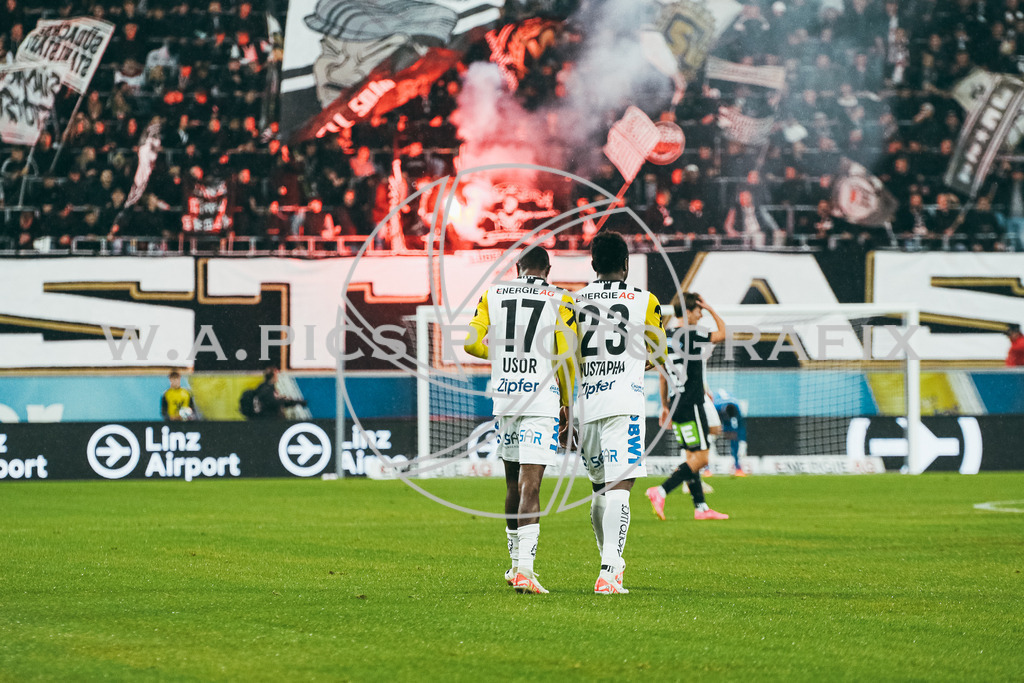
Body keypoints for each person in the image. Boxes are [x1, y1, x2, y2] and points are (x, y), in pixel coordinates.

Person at [464, 246, 576, 595]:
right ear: (548, 269)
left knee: (513, 484)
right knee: (533, 484)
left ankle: (515, 566)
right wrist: (568, 404)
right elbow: (566, 356)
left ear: (517, 268)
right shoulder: (560, 299)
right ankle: (526, 570)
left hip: (505, 400)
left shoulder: (493, 294)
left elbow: (470, 344)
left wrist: (496, 354)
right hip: (540, 401)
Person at [575, 230, 667, 594]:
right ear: (626, 265)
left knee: (600, 489)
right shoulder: (645, 301)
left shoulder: (574, 300)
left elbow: (564, 351)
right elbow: (658, 350)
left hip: (586, 405)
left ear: (593, 264)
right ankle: (610, 569)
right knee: (620, 489)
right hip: (623, 403)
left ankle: (608, 559)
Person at [647, 292, 730, 521]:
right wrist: (712, 308)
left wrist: (665, 406)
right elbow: (723, 333)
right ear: (689, 311)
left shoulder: (665, 336)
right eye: (698, 310)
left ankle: (701, 508)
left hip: (676, 403)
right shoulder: (694, 333)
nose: (701, 314)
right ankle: (660, 490)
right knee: (702, 459)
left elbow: (662, 376)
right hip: (692, 402)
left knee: (692, 455)